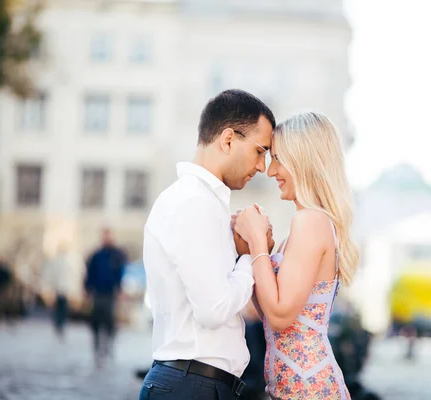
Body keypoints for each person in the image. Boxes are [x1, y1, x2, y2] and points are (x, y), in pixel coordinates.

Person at [139, 89, 275, 400]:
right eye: (259, 150)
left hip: (194, 382)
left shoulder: (202, 203)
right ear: (228, 139)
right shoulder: (193, 203)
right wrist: (252, 254)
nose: (263, 166)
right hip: (191, 384)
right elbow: (214, 310)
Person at [234, 112, 359, 399]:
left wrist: (257, 244)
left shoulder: (310, 222)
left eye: (278, 158)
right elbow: (265, 311)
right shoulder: (303, 227)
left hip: (308, 388)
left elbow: (280, 316)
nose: (270, 170)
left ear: (303, 161)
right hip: (296, 386)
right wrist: (254, 250)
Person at [85, 228, 127, 367]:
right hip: (98, 292)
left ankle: (108, 346)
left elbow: (121, 272)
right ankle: (97, 348)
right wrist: (87, 288)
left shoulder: (117, 255)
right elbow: (90, 272)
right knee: (96, 321)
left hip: (110, 293)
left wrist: (119, 289)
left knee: (109, 322)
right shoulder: (97, 255)